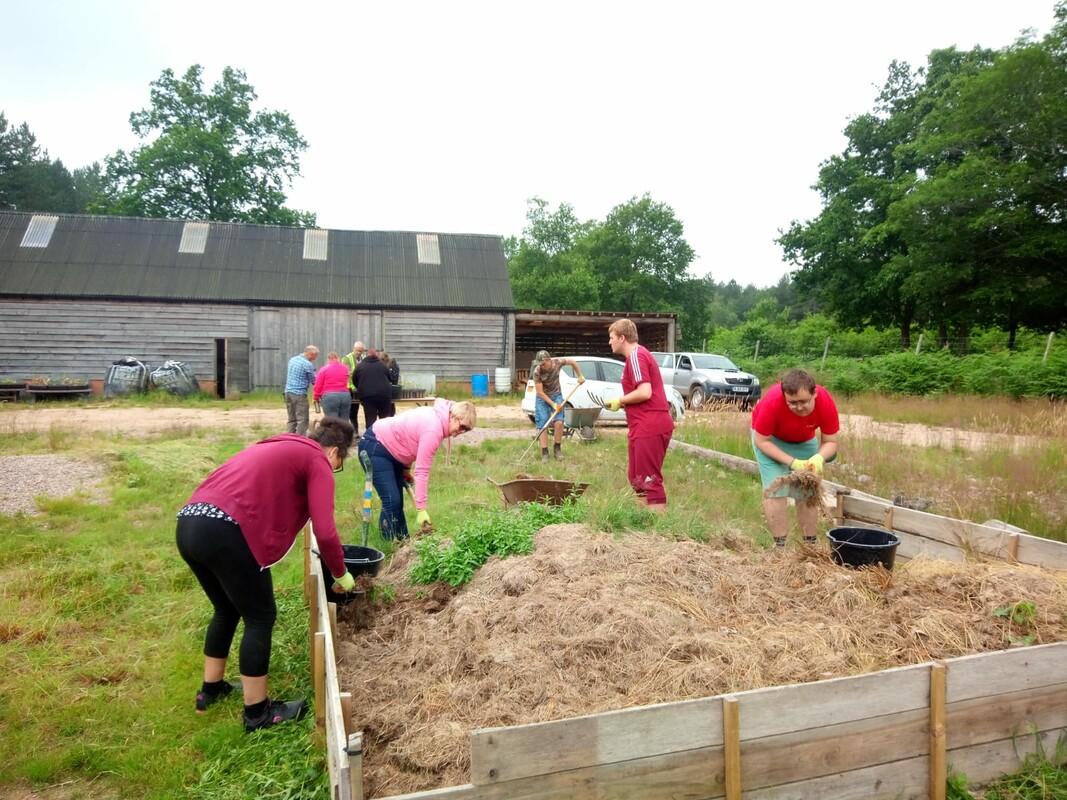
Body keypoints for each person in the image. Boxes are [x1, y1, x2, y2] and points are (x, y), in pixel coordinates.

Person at [176, 417, 357, 732]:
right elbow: (326, 532)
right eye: (338, 463)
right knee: (260, 617)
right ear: (334, 453)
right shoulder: (317, 460)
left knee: (226, 608)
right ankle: (257, 713)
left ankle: (211, 690)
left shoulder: (277, 444)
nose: (334, 468)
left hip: (191, 521)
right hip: (226, 530)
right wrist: (341, 573)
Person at [357, 399, 476, 540]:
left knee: (397, 502)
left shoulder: (439, 417)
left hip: (392, 451)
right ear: (454, 416)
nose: (461, 432)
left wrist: (406, 469)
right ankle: (388, 547)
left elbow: (410, 441)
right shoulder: (433, 429)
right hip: (376, 445)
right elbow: (422, 472)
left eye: (466, 430)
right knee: (391, 500)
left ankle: (403, 542)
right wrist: (421, 509)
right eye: (462, 426)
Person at [750, 368, 840, 548]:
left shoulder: (825, 402)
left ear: (814, 393)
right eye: (792, 403)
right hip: (771, 441)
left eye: (804, 402)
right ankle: (780, 548)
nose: (799, 407)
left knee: (807, 491)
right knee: (776, 491)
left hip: (804, 440)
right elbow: (761, 441)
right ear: (784, 395)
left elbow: (830, 441)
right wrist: (793, 463)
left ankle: (810, 546)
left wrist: (818, 458)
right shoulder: (773, 401)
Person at [605, 319, 674, 509]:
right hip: (642, 424)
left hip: (650, 424)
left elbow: (645, 392)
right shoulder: (636, 357)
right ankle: (643, 526)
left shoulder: (636, 355)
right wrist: (624, 404)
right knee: (638, 480)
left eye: (611, 338)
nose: (609, 342)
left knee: (649, 481)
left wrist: (621, 400)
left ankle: (657, 533)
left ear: (622, 338)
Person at [531, 349, 586, 462]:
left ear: (548, 360)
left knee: (559, 422)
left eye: (542, 363)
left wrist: (579, 376)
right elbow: (540, 393)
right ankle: (545, 452)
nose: (540, 366)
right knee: (543, 424)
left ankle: (557, 449)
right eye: (539, 364)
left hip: (556, 394)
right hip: (542, 398)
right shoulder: (537, 371)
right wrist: (553, 404)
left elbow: (572, 362)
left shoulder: (557, 362)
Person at [354, 348, 394, 430]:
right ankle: (385, 439)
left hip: (367, 396)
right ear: (376, 355)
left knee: (370, 419)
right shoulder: (383, 365)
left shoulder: (360, 366)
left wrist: (361, 388)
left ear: (366, 355)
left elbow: (354, 380)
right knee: (385, 419)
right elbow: (390, 379)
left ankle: (371, 438)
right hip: (384, 395)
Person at [284, 345, 318, 435]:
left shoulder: (292, 360)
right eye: (315, 356)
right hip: (299, 394)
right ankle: (300, 441)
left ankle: (289, 438)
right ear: (311, 354)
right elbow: (314, 380)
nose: (315, 359)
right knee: (302, 419)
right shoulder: (307, 364)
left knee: (291, 419)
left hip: (288, 392)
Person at [313, 352, 352, 421]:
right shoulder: (345, 368)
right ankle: (344, 432)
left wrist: (316, 397)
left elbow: (318, 385)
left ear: (328, 359)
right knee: (344, 420)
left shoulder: (324, 369)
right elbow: (348, 381)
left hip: (330, 397)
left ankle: (334, 432)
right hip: (345, 395)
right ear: (338, 358)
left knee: (332, 421)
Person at [341, 341, 366, 434]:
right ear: (353, 349)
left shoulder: (364, 358)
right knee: (352, 412)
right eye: (357, 351)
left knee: (364, 409)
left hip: (361, 388)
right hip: (351, 389)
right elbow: (345, 373)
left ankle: (360, 431)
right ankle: (354, 432)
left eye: (361, 351)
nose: (359, 353)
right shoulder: (347, 359)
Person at [381, 351, 401, 416]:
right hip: (388, 389)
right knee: (389, 406)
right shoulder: (387, 365)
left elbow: (394, 378)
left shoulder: (392, 365)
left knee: (390, 407)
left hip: (391, 389)